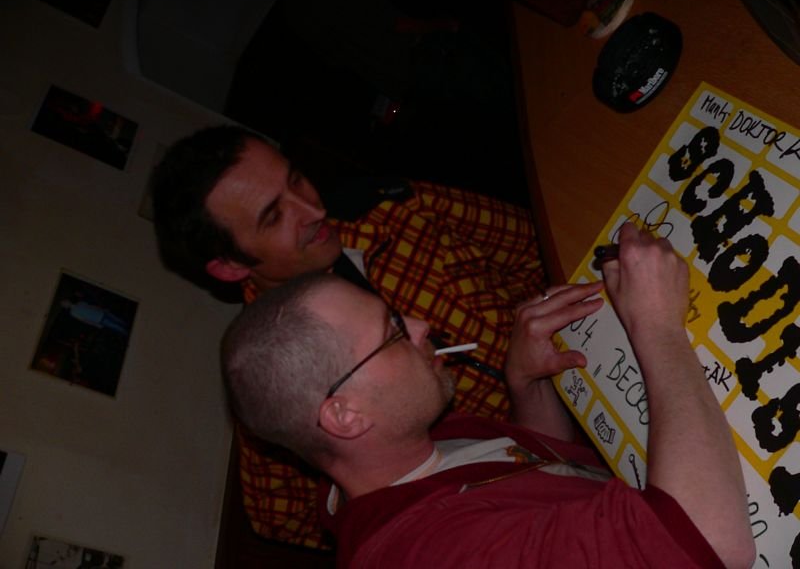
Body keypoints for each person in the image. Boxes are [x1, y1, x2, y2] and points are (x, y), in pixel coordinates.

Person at [221, 223, 755, 568]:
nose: (420, 325)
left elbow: (535, 484)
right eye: (392, 332)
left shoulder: (390, 448)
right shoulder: (432, 553)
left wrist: (527, 384)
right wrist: (657, 325)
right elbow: (708, 542)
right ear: (345, 414)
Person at [151, 124, 547, 546]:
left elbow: (534, 246)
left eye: (296, 179)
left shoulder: (391, 208)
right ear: (231, 266)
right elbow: (279, 518)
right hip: (528, 481)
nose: (313, 210)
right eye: (274, 216)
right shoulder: (274, 376)